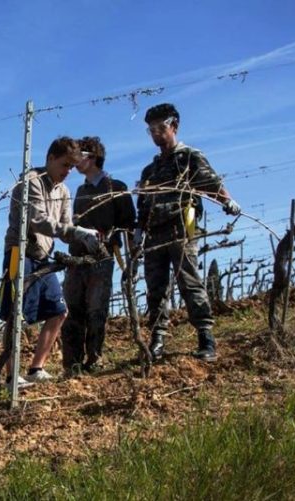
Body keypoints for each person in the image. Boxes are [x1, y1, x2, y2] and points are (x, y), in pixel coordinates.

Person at [136, 103, 241, 362]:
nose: (157, 134)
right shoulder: (149, 171)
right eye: (151, 130)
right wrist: (139, 231)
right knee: (155, 289)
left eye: (161, 128)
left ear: (174, 126)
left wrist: (227, 200)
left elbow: (210, 182)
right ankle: (157, 339)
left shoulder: (188, 158)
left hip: (181, 229)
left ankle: (206, 337)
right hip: (154, 235)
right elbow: (143, 204)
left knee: (190, 282)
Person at [0, 136, 100, 388]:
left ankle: (36, 368)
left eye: (71, 167)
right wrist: (75, 232)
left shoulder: (64, 191)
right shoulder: (31, 182)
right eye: (64, 165)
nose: (67, 172)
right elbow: (38, 220)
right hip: (19, 254)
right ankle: (12, 376)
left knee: (59, 311)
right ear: (51, 159)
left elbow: (65, 228)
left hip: (44, 257)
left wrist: (85, 235)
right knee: (16, 315)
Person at [61, 136, 136, 375]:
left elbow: (128, 225)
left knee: (96, 309)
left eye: (80, 155)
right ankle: (72, 364)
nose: (75, 161)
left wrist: (123, 249)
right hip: (77, 257)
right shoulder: (80, 190)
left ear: (92, 157)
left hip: (102, 257)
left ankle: (94, 359)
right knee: (72, 309)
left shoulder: (117, 187)